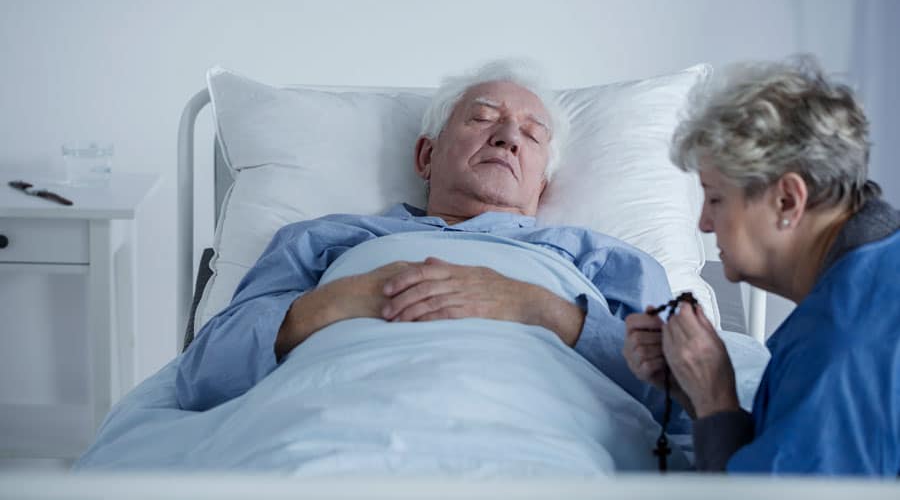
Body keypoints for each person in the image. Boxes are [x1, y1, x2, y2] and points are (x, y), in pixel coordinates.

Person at [176, 60, 687, 444]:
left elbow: (682, 398)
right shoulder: (325, 240)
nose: (508, 137)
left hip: (541, 437)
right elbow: (202, 375)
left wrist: (540, 308)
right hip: (331, 429)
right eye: (482, 118)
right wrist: (342, 300)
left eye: (532, 135)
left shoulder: (601, 260)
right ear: (426, 155)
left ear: (543, 182)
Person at [622, 55, 900, 475]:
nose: (703, 222)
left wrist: (715, 398)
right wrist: (697, 394)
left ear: (787, 200)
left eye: (715, 198)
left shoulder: (839, 344)